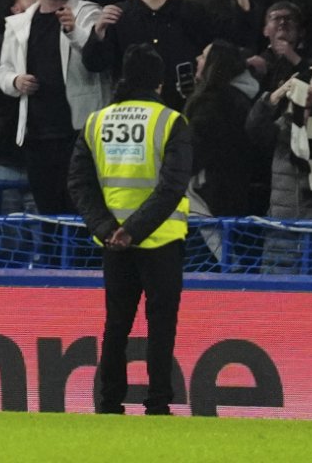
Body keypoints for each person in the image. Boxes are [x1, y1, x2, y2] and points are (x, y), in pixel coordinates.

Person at [77, 47, 193, 415]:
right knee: (161, 326)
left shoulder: (96, 122)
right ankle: (158, 403)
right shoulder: (171, 121)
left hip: (113, 244)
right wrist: (135, 229)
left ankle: (108, 402)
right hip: (160, 239)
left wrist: (108, 228)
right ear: (160, 82)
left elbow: (79, 182)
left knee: (116, 325)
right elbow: (173, 186)